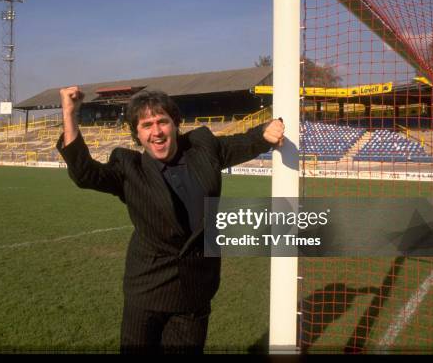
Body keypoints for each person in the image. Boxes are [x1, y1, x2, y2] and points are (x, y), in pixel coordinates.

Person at [56, 86, 284, 354]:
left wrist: (265, 133)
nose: (156, 131)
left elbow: (243, 142)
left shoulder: (203, 148)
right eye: (146, 125)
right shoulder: (128, 168)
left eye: (162, 121)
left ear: (175, 125)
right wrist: (70, 114)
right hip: (147, 290)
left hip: (195, 291)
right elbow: (84, 174)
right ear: (137, 134)